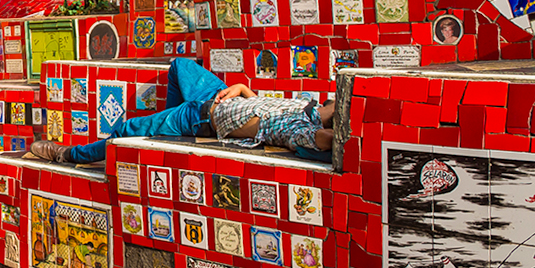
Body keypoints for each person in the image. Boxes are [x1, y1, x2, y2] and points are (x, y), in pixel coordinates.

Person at [28, 58, 335, 165]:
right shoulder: (309, 108)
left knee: (123, 131)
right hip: (219, 98)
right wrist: (242, 88)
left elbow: (325, 137)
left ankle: (68, 155)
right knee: (180, 66)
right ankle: (166, 131)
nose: (334, 102)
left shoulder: (305, 133)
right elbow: (263, 107)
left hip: (203, 118)